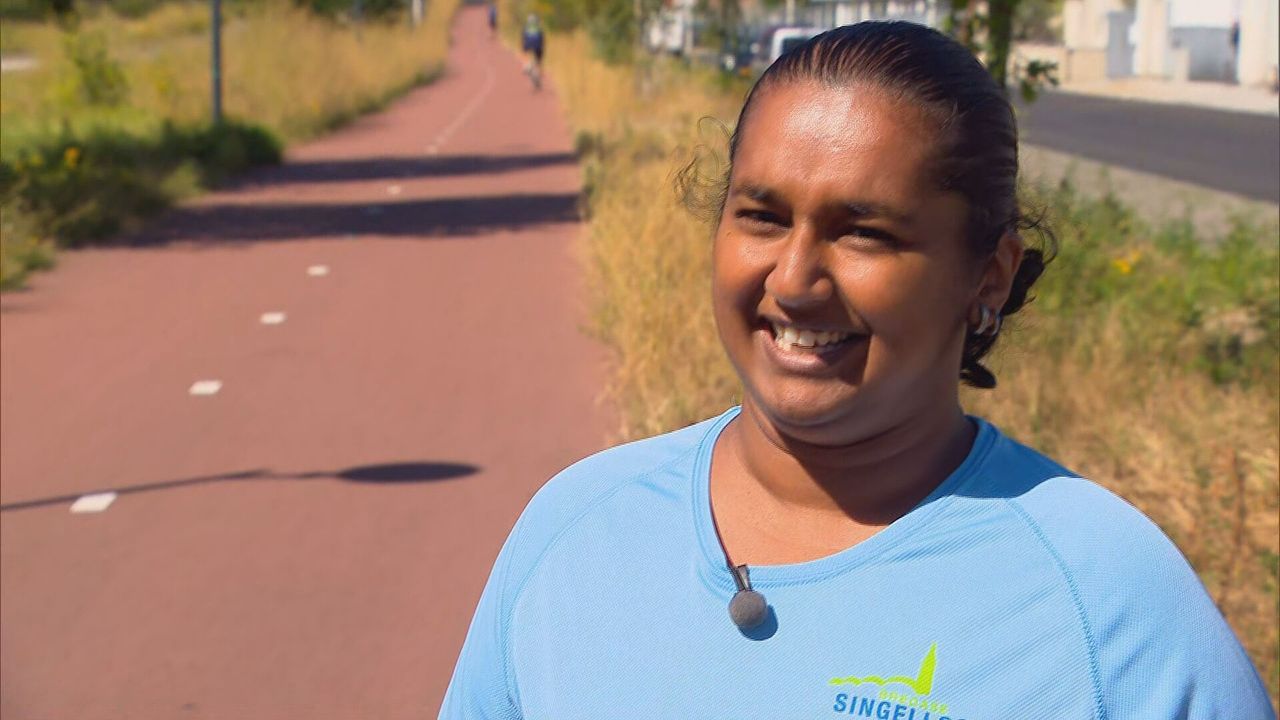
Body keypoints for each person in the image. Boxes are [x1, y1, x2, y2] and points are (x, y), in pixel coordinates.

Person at [439, 22, 1275, 719]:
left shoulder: (1112, 603)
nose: (795, 280)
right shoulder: (574, 531)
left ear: (989, 275)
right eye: (762, 216)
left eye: (864, 232)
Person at [520, 14, 544, 89]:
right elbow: (542, 38)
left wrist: (524, 47)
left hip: (528, 44)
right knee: (538, 60)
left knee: (525, 53)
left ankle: (527, 65)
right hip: (538, 45)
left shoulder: (526, 27)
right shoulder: (539, 28)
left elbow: (523, 38)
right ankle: (538, 73)